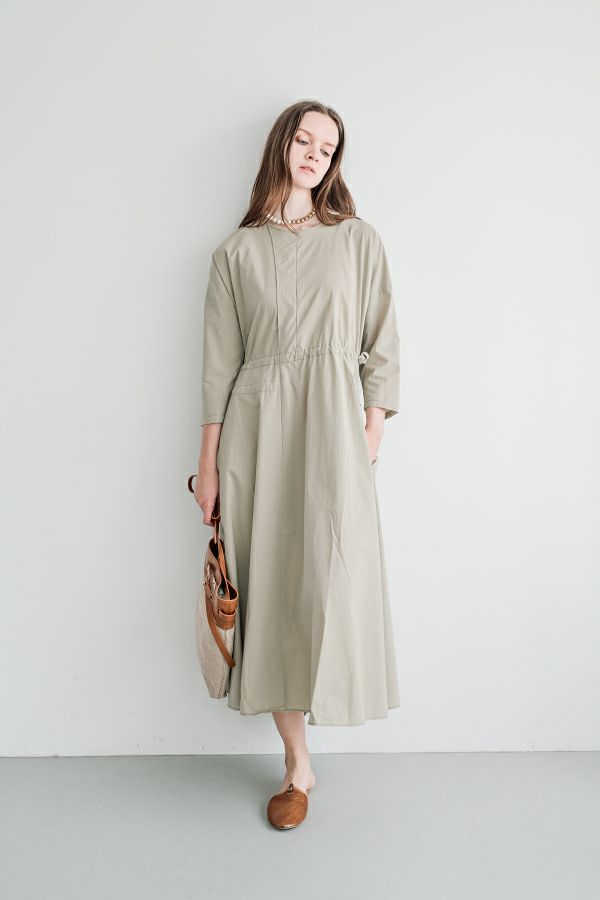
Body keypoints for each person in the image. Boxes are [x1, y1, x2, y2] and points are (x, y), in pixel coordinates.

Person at [192, 99, 401, 829]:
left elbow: (383, 341)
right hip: (257, 432)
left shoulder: (357, 240)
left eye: (328, 147)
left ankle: (323, 720)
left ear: (335, 162)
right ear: (282, 144)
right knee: (272, 587)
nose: (314, 154)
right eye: (304, 139)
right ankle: (296, 765)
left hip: (334, 428)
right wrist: (208, 466)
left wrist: (371, 428)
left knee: (330, 576)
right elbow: (217, 370)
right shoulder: (236, 253)